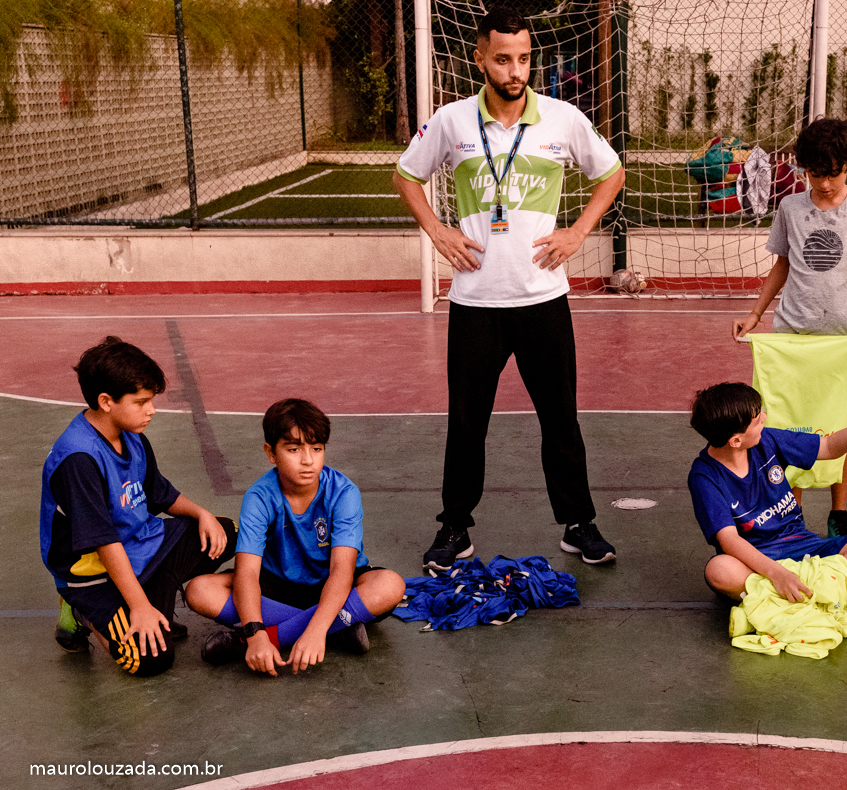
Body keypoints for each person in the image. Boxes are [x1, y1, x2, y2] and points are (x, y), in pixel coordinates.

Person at [393, 7, 625, 571]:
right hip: (475, 301)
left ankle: (578, 523)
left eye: (523, 59)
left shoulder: (563, 119)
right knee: (467, 421)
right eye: (503, 59)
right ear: (480, 58)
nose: (515, 70)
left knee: (560, 418)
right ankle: (455, 527)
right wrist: (438, 230)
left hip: (544, 298)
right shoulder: (450, 122)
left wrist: (577, 231)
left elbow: (611, 172)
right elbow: (405, 175)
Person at [732, 117, 847, 542]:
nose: (824, 183)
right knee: (792, 426)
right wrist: (754, 314)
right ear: (803, 169)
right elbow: (782, 265)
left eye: (833, 172)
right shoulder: (790, 208)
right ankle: (792, 511)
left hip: (842, 342)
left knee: (839, 424)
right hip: (793, 337)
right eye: (814, 173)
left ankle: (839, 512)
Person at [40, 336, 235, 677]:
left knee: (224, 533)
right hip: (94, 574)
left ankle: (151, 594)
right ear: (106, 401)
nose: (152, 410)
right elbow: (105, 541)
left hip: (140, 545)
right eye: (141, 401)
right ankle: (82, 611)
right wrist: (141, 607)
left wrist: (203, 514)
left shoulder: (131, 435)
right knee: (150, 660)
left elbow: (160, 495)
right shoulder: (79, 459)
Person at [187, 399, 406, 675]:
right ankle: (340, 628)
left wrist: (306, 633)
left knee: (390, 585)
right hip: (278, 586)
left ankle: (261, 639)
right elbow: (247, 574)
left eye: (317, 449)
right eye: (293, 449)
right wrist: (258, 633)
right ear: (271, 453)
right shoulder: (259, 496)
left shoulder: (343, 492)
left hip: (333, 584)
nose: (308, 460)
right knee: (198, 590)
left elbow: (342, 571)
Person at [688, 382, 847, 602]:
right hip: (754, 559)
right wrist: (777, 574)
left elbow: (829, 447)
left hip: (802, 544)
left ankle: (776, 601)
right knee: (719, 571)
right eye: (756, 419)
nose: (764, 418)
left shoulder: (767, 440)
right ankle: (824, 593)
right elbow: (729, 540)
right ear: (736, 440)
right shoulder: (705, 476)